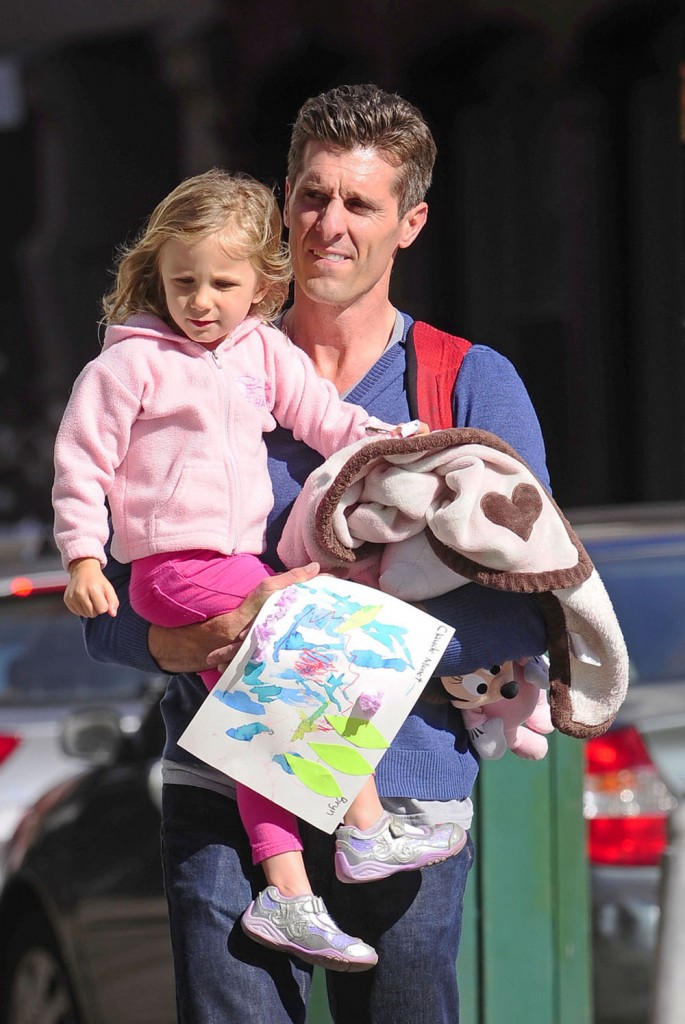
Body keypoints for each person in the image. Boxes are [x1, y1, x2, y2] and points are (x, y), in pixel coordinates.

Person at [83, 84, 551, 1023]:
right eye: (310, 194)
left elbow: (524, 597)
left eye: (359, 204)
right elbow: (107, 601)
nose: (327, 224)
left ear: (408, 223)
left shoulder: (464, 382)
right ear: (283, 199)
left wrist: (303, 627)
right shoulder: (181, 367)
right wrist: (172, 641)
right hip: (224, 798)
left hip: (404, 802)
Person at [52, 167, 466, 975]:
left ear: (261, 285)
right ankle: (365, 828)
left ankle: (287, 893)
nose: (199, 301)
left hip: (234, 561)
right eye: (182, 282)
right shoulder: (128, 366)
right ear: (155, 276)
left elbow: (324, 418)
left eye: (221, 283)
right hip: (172, 569)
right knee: (307, 638)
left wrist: (392, 444)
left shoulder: (259, 352)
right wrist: (80, 556)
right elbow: (81, 464)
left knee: (267, 729)